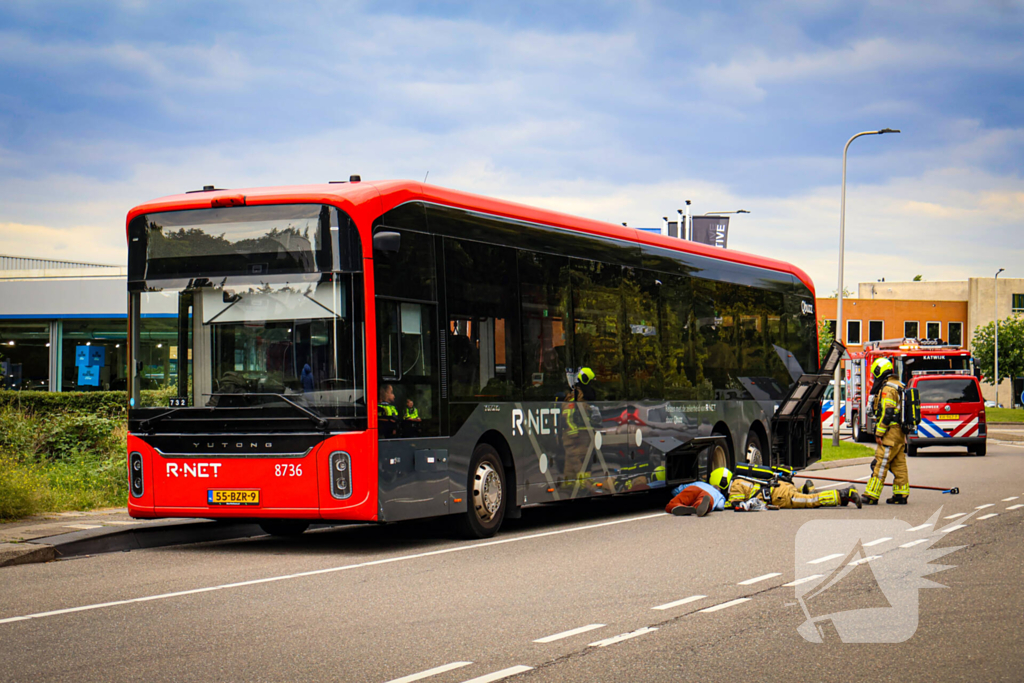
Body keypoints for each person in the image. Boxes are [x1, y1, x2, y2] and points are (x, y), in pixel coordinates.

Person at [865, 357, 910, 505]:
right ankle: (901, 494)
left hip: (890, 432)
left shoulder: (888, 389)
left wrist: (879, 432)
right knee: (899, 464)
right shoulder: (900, 385)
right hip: (900, 432)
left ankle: (871, 495)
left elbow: (888, 412)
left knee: (881, 462)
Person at [722, 466, 863, 510]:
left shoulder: (735, 487)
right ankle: (804, 489)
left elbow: (734, 504)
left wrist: (720, 503)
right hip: (780, 486)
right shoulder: (742, 478)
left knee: (810, 501)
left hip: (780, 495)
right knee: (803, 496)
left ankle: (844, 494)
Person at [559, 367, 598, 488]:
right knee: (580, 458)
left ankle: (570, 482)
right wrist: (573, 432)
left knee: (572, 460)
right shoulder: (575, 399)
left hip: (580, 434)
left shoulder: (579, 398)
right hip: (576, 436)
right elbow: (568, 415)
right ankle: (583, 481)